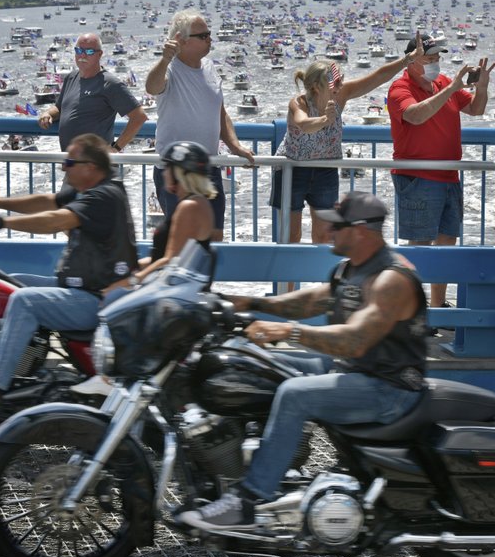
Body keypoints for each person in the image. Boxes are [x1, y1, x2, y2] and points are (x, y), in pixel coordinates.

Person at [177, 191, 429, 532]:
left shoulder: (391, 279)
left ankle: (251, 498)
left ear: (361, 230)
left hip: (389, 387)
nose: (326, 232)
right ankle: (275, 463)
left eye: (336, 226)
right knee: (257, 365)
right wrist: (244, 303)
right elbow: (310, 301)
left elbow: (355, 341)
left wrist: (289, 331)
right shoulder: (351, 270)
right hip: (353, 371)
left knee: (296, 394)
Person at [0, 134, 138, 409]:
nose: (63, 167)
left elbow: (55, 220)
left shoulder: (104, 196)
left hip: (95, 298)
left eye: (70, 162)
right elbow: (46, 202)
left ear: (91, 167)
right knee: (2, 281)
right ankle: (3, 360)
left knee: (24, 301)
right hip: (76, 287)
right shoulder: (88, 189)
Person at [71, 140, 217, 396]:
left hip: (173, 292)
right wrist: (130, 269)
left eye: (168, 168)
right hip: (182, 287)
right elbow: (168, 256)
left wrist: (127, 282)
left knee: (112, 300)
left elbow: (169, 260)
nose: (163, 173)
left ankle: (106, 379)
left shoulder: (189, 207)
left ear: (179, 171)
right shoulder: (200, 203)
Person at [386, 34, 495, 312]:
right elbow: (415, 115)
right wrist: (452, 88)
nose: (435, 63)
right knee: (420, 246)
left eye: (437, 58)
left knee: (447, 242)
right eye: (429, 58)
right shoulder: (400, 87)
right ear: (411, 61)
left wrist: (482, 87)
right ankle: (413, 309)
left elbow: (476, 109)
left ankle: (438, 305)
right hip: (418, 177)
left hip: (449, 175)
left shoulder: (444, 82)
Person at [274, 49, 424, 250]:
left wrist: (407, 60)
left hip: (325, 169)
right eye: (335, 82)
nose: (340, 85)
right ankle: (288, 282)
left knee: (323, 238)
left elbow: (377, 77)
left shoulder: (340, 95)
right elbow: (303, 124)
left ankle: (319, 280)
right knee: (291, 237)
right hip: (292, 169)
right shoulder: (298, 102)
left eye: (340, 80)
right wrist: (324, 119)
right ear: (317, 87)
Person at [145, 9, 255, 241]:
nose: (210, 38)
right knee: (182, 240)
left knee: (214, 239)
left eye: (209, 33)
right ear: (181, 41)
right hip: (176, 172)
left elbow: (220, 112)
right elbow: (152, 88)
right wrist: (164, 58)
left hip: (209, 166)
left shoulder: (209, 67)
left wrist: (235, 146)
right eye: (203, 35)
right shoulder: (170, 69)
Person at [37, 32, 147, 152]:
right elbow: (60, 108)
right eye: (79, 51)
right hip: (72, 162)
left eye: (89, 52)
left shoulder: (110, 83)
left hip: (96, 165)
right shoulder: (71, 77)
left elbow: (139, 117)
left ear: (99, 54)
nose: (82, 55)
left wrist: (115, 148)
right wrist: (47, 113)